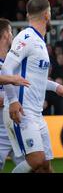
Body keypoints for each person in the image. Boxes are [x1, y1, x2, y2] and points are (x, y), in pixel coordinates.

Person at [2, 0, 63, 173]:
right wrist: (12, 100)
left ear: (28, 15)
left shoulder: (39, 41)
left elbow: (34, 79)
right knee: (36, 160)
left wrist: (57, 88)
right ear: (47, 14)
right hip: (22, 111)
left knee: (45, 167)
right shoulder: (26, 37)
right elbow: (6, 68)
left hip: (36, 113)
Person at [0, 18, 26, 171]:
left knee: (35, 166)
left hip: (15, 127)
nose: (12, 35)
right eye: (10, 31)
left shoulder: (13, 61)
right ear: (5, 35)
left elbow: (27, 82)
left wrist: (56, 87)